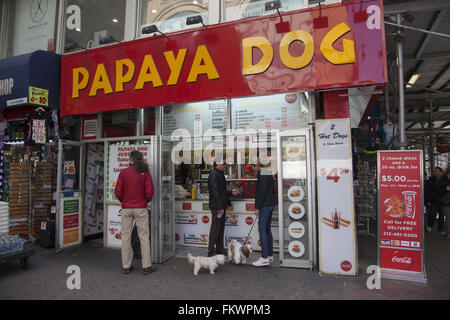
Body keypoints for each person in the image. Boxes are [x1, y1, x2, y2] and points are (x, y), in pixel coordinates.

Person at [114, 150, 155, 275]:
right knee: (144, 237)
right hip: (140, 208)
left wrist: (124, 201)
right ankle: (146, 266)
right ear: (141, 159)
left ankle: (126, 265)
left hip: (126, 208)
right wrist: (145, 201)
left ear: (131, 160)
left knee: (125, 237)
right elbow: (150, 191)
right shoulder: (145, 172)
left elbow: (117, 191)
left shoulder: (123, 172)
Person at [208, 161, 240, 257]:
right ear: (217, 164)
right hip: (218, 207)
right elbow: (215, 192)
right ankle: (211, 252)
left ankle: (219, 249)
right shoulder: (214, 175)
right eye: (223, 163)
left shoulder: (218, 174)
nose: (225, 165)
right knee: (215, 229)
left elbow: (221, 191)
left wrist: (230, 192)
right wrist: (219, 207)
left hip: (220, 206)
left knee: (220, 228)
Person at [252, 162, 278, 267]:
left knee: (262, 229)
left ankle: (264, 257)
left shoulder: (262, 174)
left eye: (253, 167)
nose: (253, 169)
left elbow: (261, 192)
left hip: (265, 205)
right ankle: (270, 255)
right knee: (267, 229)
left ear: (258, 166)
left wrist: (258, 207)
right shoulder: (268, 172)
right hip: (270, 203)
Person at [424, 167, 448, 234]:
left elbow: (445, 190)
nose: (435, 173)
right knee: (432, 214)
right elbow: (428, 191)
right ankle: (430, 225)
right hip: (433, 200)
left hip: (442, 201)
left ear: (441, 172)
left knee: (441, 215)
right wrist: (428, 200)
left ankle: (440, 229)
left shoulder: (445, 180)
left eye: (437, 171)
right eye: (435, 171)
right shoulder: (431, 180)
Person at [440, 169, 450, 240]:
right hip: (446, 203)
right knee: (449, 219)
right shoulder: (443, 180)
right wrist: (445, 189)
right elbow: (437, 190)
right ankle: (448, 234)